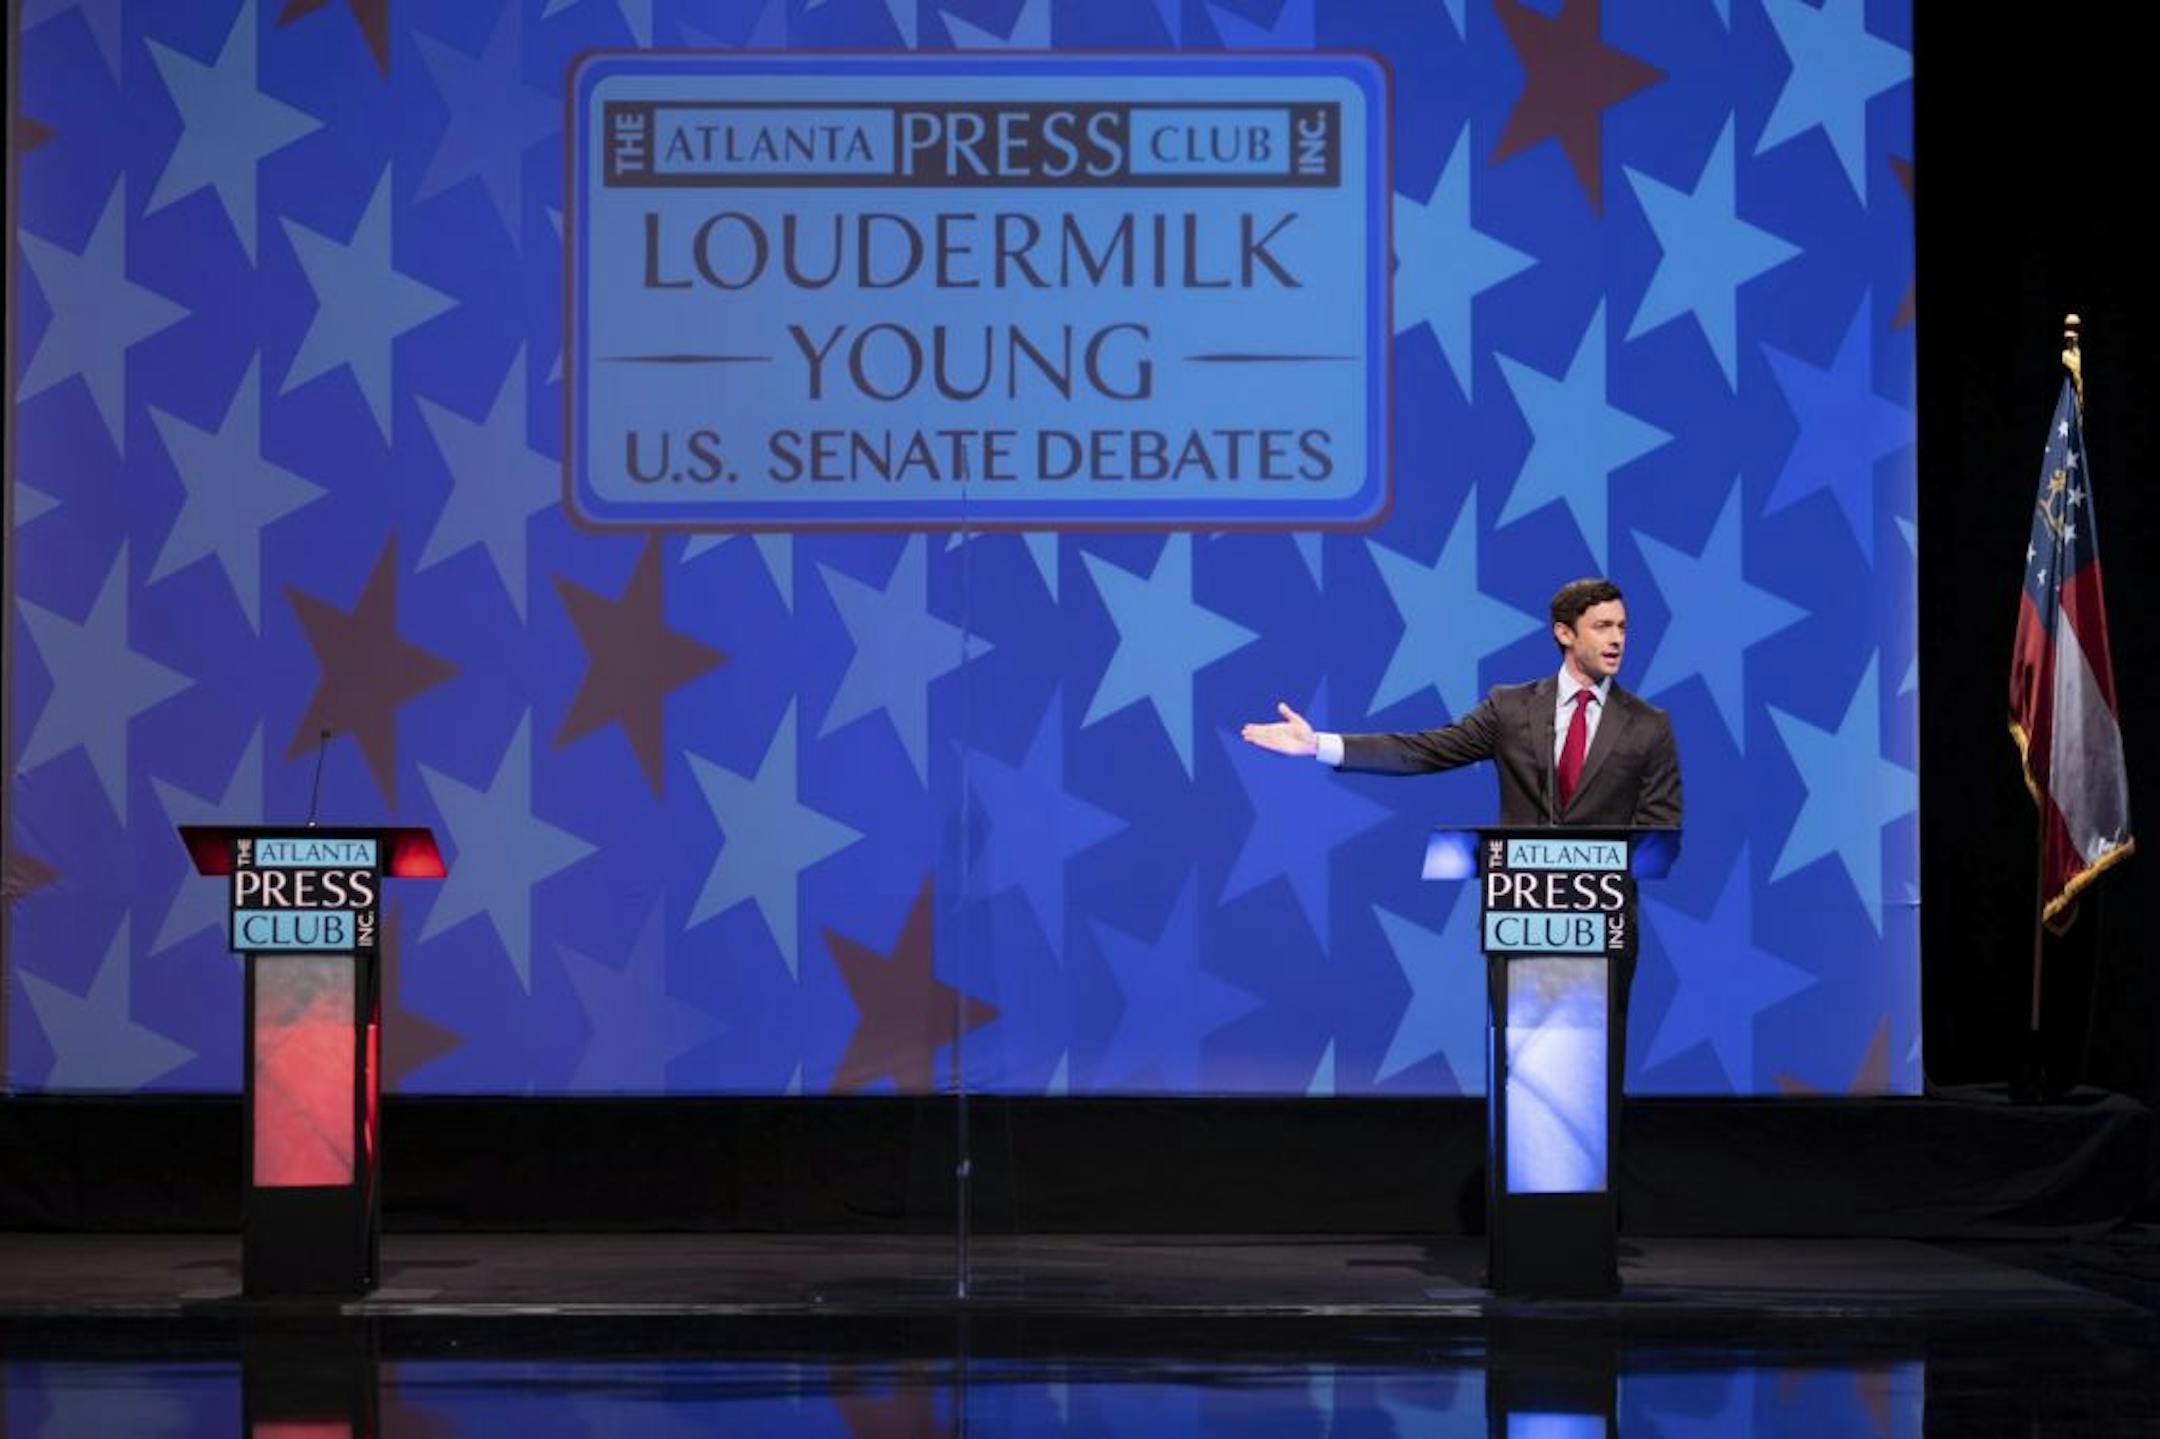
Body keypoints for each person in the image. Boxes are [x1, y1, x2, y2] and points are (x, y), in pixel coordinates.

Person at [1239, 577, 1682, 829]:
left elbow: (1661, 831)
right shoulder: (1511, 708)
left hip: (1603, 923)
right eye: (1603, 627)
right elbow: (1422, 751)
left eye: (1622, 627)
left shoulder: (1648, 725)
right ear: (1564, 633)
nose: (1617, 639)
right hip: (1519, 918)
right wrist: (1318, 744)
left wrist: (1595, 868)